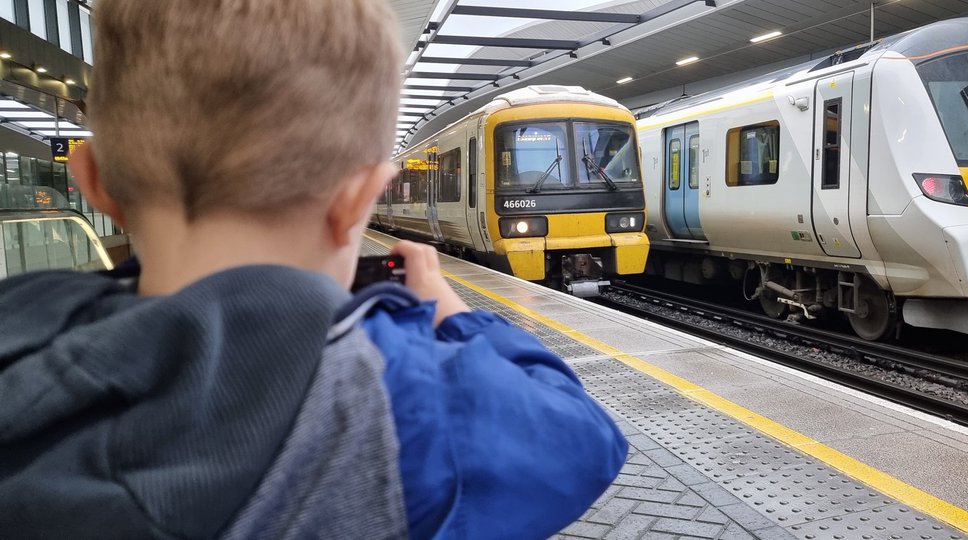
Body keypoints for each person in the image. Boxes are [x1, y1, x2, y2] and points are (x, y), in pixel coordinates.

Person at [0, 1, 627, 539]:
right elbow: (583, 439)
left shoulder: (25, 337)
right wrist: (446, 309)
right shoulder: (405, 390)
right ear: (360, 200)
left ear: (95, 183)